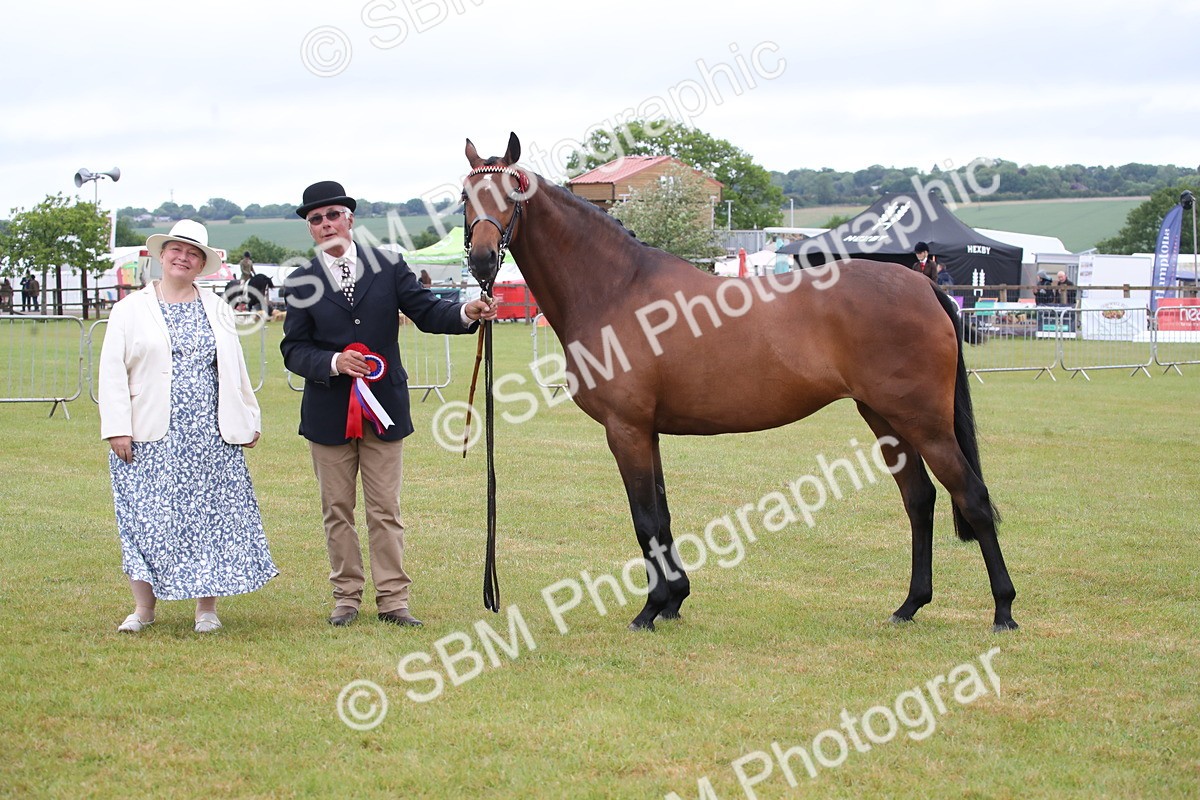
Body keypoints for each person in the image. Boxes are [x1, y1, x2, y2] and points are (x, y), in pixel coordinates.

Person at [281, 180, 497, 628]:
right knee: (336, 511)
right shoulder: (301, 281)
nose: (326, 224)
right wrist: (334, 362)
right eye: (316, 219)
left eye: (333, 215)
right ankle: (346, 598)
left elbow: (428, 312)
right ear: (310, 229)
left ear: (350, 219)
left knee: (385, 509)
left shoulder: (388, 266)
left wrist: (465, 311)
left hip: (385, 410)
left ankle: (393, 600)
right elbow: (293, 349)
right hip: (328, 414)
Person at [99, 219, 277, 634]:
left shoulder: (217, 308)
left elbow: (234, 369)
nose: (183, 258)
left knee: (209, 519)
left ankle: (206, 609)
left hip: (210, 434)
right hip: (147, 432)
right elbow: (111, 372)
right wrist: (117, 427)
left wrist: (248, 419)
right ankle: (143, 609)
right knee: (145, 519)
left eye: (193, 253)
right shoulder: (129, 309)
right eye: (176, 250)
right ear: (162, 256)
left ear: (201, 264)